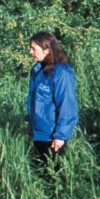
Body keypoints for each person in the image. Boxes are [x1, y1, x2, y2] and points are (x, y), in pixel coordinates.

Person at [27, 31, 79, 161]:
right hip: (38, 133)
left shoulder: (61, 73)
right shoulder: (37, 70)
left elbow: (67, 106)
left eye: (34, 49)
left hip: (53, 136)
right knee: (39, 175)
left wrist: (60, 136)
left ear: (46, 50)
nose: (30, 52)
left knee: (53, 176)